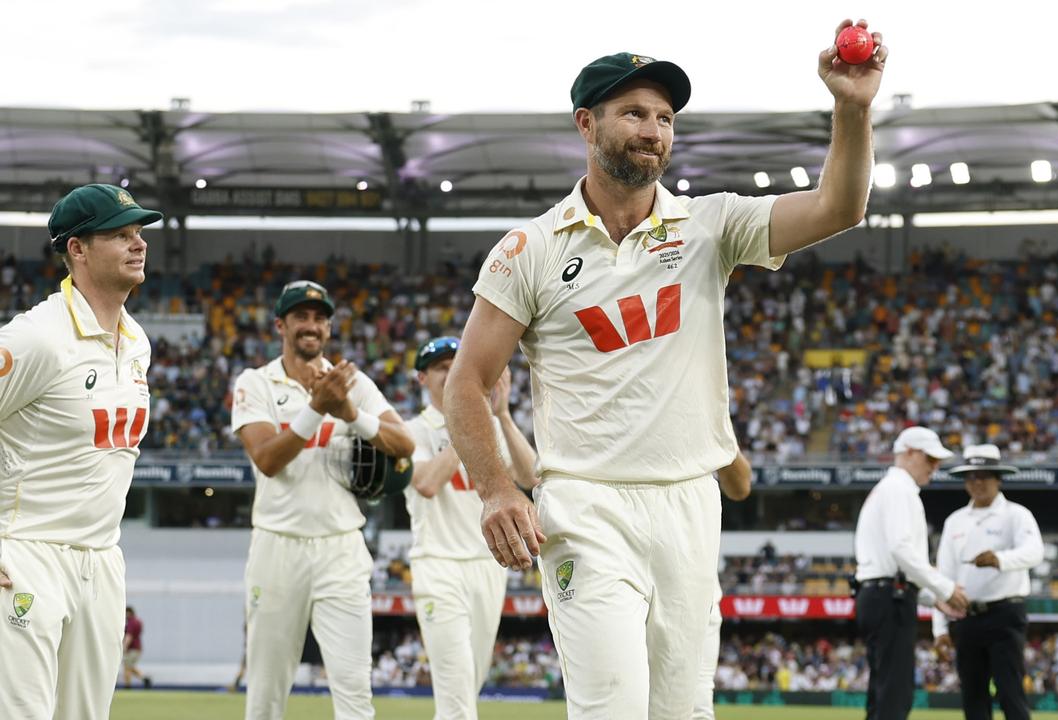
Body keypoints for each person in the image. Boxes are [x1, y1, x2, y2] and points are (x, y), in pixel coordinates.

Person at [444, 19, 888, 717]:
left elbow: (841, 206)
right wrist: (498, 489)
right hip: (585, 505)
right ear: (587, 124)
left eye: (664, 118)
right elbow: (465, 381)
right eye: (634, 114)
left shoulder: (711, 225)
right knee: (611, 707)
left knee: (683, 711)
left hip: (688, 502)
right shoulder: (527, 248)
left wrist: (852, 109)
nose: (653, 131)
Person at [0, 184, 162, 719]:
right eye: (120, 234)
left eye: (139, 233)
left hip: (102, 561)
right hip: (27, 555)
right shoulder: (36, 337)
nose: (138, 244)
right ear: (77, 249)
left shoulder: (137, 341)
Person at [231, 280, 414, 720]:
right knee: (266, 691)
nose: (310, 325)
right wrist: (317, 408)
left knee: (354, 691)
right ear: (281, 325)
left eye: (319, 318)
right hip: (278, 545)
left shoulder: (352, 383)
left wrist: (350, 413)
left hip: (341, 546)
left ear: (328, 328)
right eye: (300, 317)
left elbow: (404, 443)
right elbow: (268, 459)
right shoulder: (255, 382)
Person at [404, 336, 537, 720]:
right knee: (457, 698)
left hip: (487, 565)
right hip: (437, 564)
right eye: (442, 368)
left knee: (469, 687)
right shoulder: (411, 430)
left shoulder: (490, 426)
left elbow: (530, 475)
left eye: (456, 366)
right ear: (421, 379)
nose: (450, 375)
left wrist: (502, 416)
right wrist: (467, 421)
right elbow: (427, 483)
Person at [854, 426, 968, 720]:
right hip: (889, 596)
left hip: (882, 593)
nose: (936, 467)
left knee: (884, 692)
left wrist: (931, 597)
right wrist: (944, 589)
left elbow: (898, 558)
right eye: (930, 458)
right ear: (908, 454)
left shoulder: (891, 489)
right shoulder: (898, 489)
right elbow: (901, 551)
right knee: (895, 693)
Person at [932, 445, 1043, 720]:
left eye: (984, 476)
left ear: (998, 478)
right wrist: (939, 628)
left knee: (1010, 693)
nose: (977, 482)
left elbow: (1034, 552)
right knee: (973, 696)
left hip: (1005, 614)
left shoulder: (1017, 515)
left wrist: (1000, 559)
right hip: (966, 617)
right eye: (971, 477)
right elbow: (943, 577)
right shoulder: (955, 521)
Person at [693, 450, 752, 720]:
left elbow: (741, 488)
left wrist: (722, 436)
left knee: (696, 705)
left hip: (697, 585)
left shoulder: (703, 410)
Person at [122, 606, 153, 689]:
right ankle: (145, 679)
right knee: (130, 666)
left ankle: (127, 686)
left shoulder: (131, 622)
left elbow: (129, 636)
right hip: (138, 648)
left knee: (127, 666)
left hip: (132, 648)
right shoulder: (138, 621)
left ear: (129, 613)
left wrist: (125, 646)